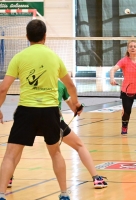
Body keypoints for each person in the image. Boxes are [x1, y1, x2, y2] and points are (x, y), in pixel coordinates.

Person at [0, 19, 82, 200]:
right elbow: (71, 86)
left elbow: (3, 88)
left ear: (27, 36)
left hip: (26, 111)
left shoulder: (19, 57)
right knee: (55, 153)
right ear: (45, 36)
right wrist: (75, 103)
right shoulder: (55, 57)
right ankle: (64, 194)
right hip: (49, 112)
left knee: (10, 155)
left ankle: (1, 194)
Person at [8, 80, 108, 190]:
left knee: (16, 149)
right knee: (79, 146)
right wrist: (78, 109)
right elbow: (74, 107)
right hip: (52, 120)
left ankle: (8, 178)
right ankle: (96, 178)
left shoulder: (30, 81)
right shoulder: (61, 84)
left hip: (29, 119)